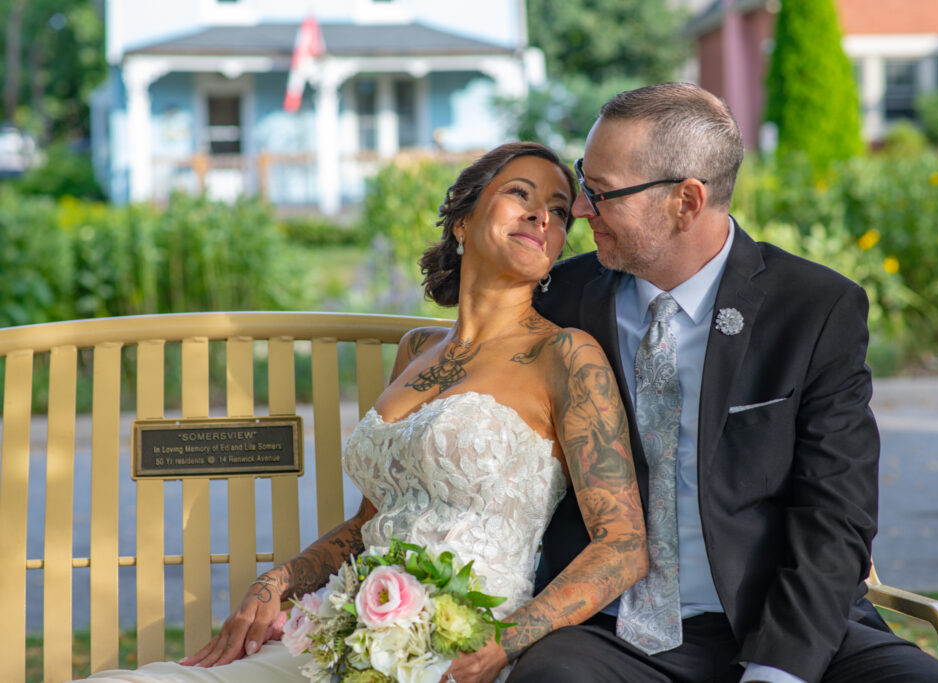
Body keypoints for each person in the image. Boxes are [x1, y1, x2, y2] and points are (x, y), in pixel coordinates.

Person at [84, 142, 648, 683]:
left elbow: (622, 546)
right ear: (462, 221)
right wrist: (277, 582)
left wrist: (506, 642)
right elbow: (366, 527)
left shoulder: (564, 355)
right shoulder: (415, 351)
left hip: (454, 651)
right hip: (346, 627)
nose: (542, 216)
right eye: (520, 194)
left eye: (557, 210)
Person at [512, 83, 938, 682]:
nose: (581, 211)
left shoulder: (814, 308)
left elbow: (837, 514)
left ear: (687, 201)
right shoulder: (558, 300)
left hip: (792, 626)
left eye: (601, 193)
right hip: (609, 635)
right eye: (582, 182)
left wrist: (779, 670)